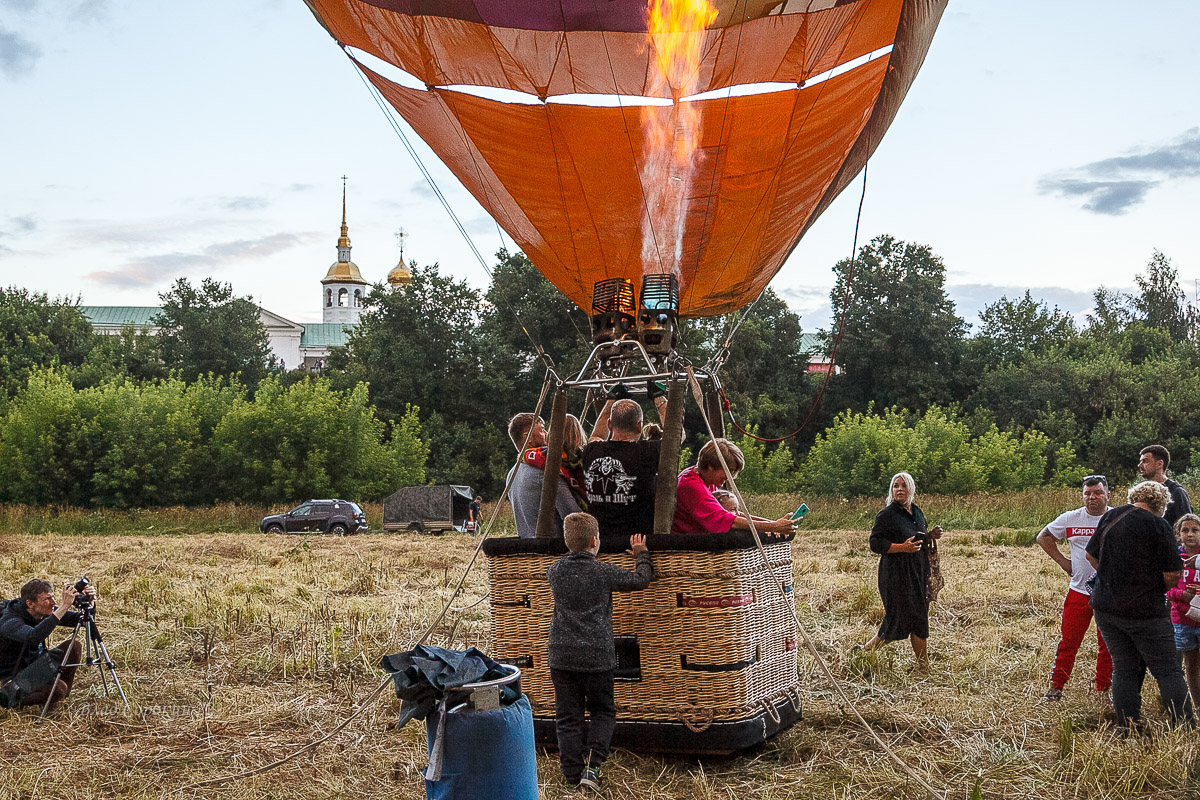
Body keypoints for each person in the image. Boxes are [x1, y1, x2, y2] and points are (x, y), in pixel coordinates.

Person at [547, 513, 653, 792]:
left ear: (567, 541)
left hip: (561, 656)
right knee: (603, 712)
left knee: (567, 717)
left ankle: (571, 775)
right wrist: (641, 554)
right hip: (597, 656)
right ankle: (592, 769)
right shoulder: (603, 572)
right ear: (595, 541)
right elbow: (641, 580)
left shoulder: (554, 571)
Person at [1086, 480, 1193, 728]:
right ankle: (1185, 726)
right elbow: (1172, 574)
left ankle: (1128, 724)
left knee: (1124, 666)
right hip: (1145, 611)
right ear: (1162, 504)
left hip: (1106, 606)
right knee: (1167, 669)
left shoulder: (1112, 516)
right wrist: (1153, 588)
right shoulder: (1159, 525)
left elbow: (1090, 555)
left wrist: (1113, 578)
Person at [1035, 474, 1113, 702]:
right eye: (1087, 494)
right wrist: (1063, 562)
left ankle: (1103, 690)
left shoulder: (1117, 517)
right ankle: (1056, 687)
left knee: (1107, 642)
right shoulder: (1071, 518)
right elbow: (1044, 537)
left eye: (1097, 493)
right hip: (1079, 591)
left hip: (1109, 593)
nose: (1092, 498)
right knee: (1069, 641)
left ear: (1108, 494)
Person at [856, 472, 943, 672]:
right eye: (896, 486)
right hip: (895, 576)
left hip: (917, 573)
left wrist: (931, 535)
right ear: (891, 490)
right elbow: (874, 543)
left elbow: (918, 538)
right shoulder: (887, 515)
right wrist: (900, 547)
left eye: (904, 486)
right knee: (897, 620)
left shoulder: (917, 512)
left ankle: (923, 667)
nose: (900, 489)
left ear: (911, 489)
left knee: (918, 617)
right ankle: (864, 652)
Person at [0, 579, 95, 709]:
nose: (53, 603)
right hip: (17, 675)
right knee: (59, 689)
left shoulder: (41, 610)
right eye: (47, 599)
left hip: (38, 665)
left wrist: (89, 603)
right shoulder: (10, 622)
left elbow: (83, 621)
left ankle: (54, 697)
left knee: (74, 647)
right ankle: (13, 699)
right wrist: (63, 607)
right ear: (30, 603)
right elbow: (34, 636)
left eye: (53, 597)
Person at [671, 438, 796, 536]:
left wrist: (771, 523)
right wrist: (773, 527)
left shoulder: (705, 480)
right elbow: (724, 519)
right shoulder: (692, 486)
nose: (730, 477)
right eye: (729, 471)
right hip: (688, 547)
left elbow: (731, 514)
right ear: (711, 465)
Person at [582, 398, 662, 537]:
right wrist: (659, 398)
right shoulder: (647, 452)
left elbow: (597, 435)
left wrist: (611, 400)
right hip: (637, 544)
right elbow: (677, 436)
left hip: (599, 544)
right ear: (639, 426)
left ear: (609, 424)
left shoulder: (591, 451)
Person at [506, 412, 580, 538]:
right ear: (528, 437)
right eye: (542, 430)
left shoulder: (512, 473)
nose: (547, 434)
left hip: (528, 548)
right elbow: (572, 515)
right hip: (551, 551)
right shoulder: (544, 469)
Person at [1167, 513, 1200, 705]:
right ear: (1178, 534)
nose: (1190, 534)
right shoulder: (1174, 558)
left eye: (1195, 530)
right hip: (1182, 619)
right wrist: (1183, 596)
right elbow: (1168, 588)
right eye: (1185, 530)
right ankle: (1196, 705)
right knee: (1190, 663)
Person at [524, 414, 589, 510]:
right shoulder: (587, 457)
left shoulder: (548, 456)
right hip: (588, 506)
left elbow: (528, 455)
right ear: (578, 434)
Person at [1138, 444, 1192, 527]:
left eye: (1145, 461)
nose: (1140, 465)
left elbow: (1186, 526)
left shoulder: (1176, 492)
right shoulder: (1141, 493)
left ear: (1160, 464)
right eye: (1140, 461)